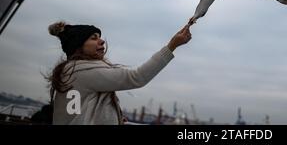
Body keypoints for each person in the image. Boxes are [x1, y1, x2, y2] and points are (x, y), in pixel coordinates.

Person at [46, 20, 192, 125]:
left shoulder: (71, 71)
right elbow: (136, 78)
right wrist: (172, 46)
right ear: (78, 46)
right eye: (93, 38)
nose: (101, 41)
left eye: (100, 37)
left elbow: (81, 112)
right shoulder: (83, 71)